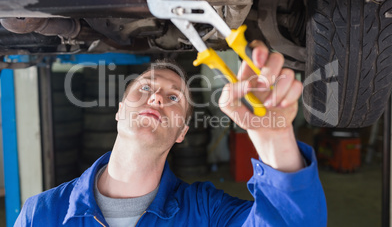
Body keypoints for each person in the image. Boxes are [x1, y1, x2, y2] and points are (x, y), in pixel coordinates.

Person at [15, 41, 327, 226]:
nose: (157, 98)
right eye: (146, 87)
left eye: (174, 97)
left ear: (182, 132)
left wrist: (276, 142)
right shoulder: (43, 213)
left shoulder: (205, 213)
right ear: (119, 111)